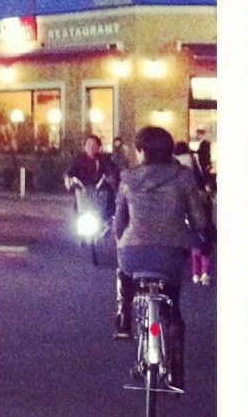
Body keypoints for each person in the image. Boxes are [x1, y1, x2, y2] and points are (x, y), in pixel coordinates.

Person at [113, 125, 209, 389]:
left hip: (133, 252)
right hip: (172, 253)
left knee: (123, 269)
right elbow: (199, 219)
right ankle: (176, 369)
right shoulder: (184, 176)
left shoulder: (128, 177)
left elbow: (118, 222)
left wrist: (120, 242)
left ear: (142, 150)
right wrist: (201, 235)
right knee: (173, 309)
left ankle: (123, 315)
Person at [66, 133, 118, 220]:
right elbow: (69, 172)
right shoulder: (78, 160)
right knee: (75, 222)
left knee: (109, 220)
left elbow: (112, 171)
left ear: (98, 147)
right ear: (84, 146)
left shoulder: (104, 159)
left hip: (102, 196)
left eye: (94, 144)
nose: (91, 147)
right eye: (88, 144)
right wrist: (68, 180)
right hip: (84, 196)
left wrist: (111, 178)